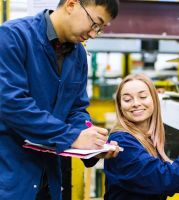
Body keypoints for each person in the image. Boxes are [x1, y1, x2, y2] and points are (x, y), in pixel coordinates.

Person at [0, 0, 120, 199]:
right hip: (10, 176)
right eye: (94, 23)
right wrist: (72, 136)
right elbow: (12, 104)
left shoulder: (79, 55)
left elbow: (76, 109)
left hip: (49, 179)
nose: (93, 34)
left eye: (99, 29)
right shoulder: (13, 36)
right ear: (72, 5)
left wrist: (91, 141)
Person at [104, 74, 179, 200]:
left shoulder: (144, 137)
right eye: (127, 100)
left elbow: (161, 174)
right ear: (120, 105)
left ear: (154, 99)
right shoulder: (122, 142)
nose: (136, 103)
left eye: (143, 97)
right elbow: (165, 180)